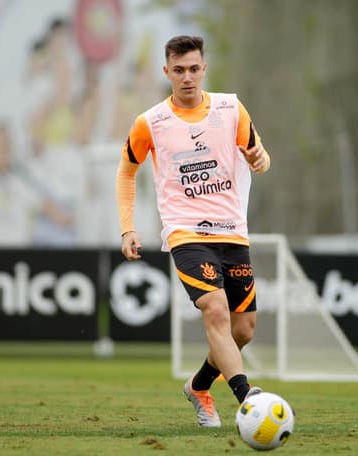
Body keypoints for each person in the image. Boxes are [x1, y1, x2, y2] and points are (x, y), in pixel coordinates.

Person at [115, 35, 271, 427]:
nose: (187, 77)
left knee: (243, 330)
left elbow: (261, 159)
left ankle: (199, 386)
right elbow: (126, 171)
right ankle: (248, 398)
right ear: (166, 72)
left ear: (204, 68)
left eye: (193, 69)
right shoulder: (149, 122)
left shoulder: (230, 108)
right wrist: (127, 228)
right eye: (179, 70)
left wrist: (259, 159)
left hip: (232, 231)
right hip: (185, 233)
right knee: (215, 310)